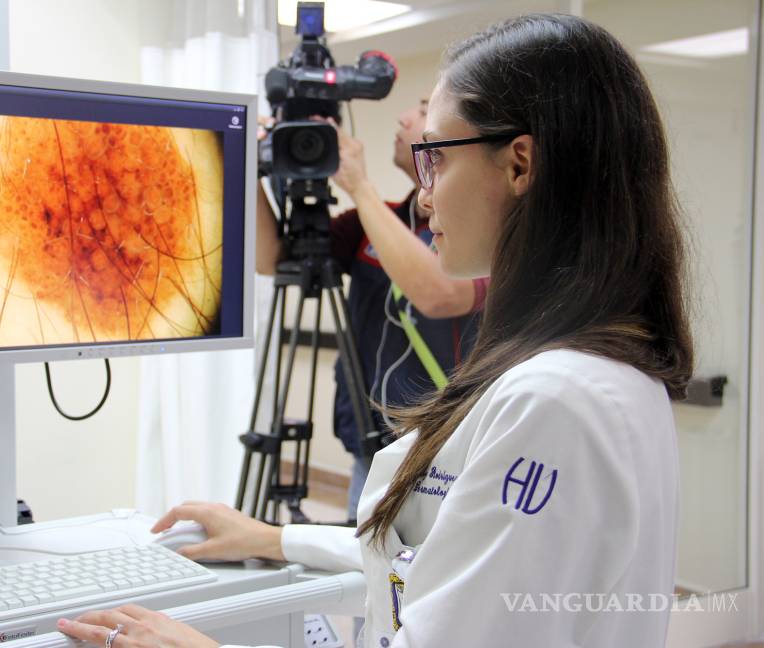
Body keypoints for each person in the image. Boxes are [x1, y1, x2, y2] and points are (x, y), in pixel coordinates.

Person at [58, 12, 692, 648]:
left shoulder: (554, 401)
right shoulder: (598, 372)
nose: (425, 196)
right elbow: (440, 551)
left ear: (520, 165)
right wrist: (276, 537)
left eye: (435, 158)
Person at [257, 101, 489, 521]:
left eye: (423, 109)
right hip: (372, 449)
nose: (404, 117)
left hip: (442, 457)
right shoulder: (374, 222)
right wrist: (252, 168)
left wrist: (359, 185)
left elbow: (440, 294)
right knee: (364, 561)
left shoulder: (488, 232)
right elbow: (270, 258)